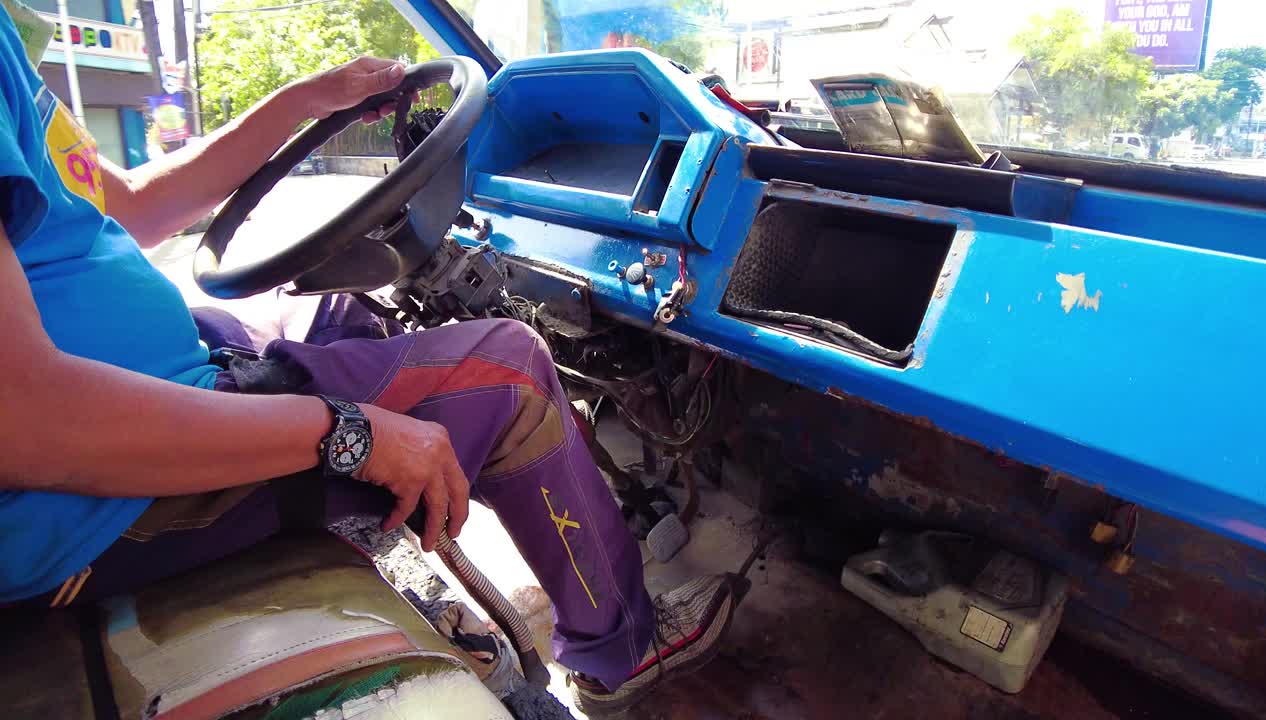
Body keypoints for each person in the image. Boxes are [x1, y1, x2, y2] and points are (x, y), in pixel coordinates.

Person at [0, 4, 740, 713]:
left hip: (150, 372)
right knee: (511, 370)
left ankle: (411, 521)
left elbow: (127, 203)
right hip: (82, 505)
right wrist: (348, 433)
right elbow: (25, 425)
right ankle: (624, 651)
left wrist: (299, 102)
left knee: (344, 315)